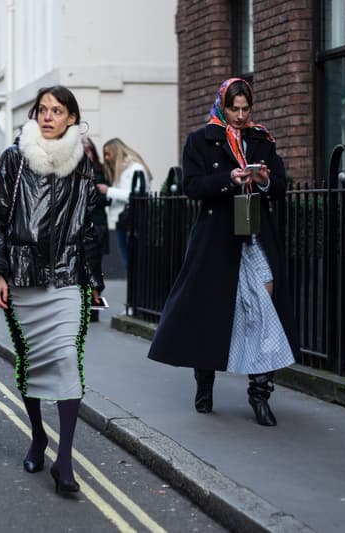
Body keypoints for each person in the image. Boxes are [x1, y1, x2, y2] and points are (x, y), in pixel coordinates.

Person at [147, 78, 299, 426]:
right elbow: (191, 187)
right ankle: (205, 383)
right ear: (223, 106)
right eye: (235, 109)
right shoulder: (201, 140)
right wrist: (229, 178)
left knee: (264, 307)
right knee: (212, 313)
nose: (241, 116)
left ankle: (260, 393)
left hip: (256, 236)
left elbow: (280, 185)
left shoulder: (262, 139)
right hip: (216, 239)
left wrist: (262, 180)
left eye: (246, 109)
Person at [0, 85, 104, 495]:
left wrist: (96, 282)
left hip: (68, 276)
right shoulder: (15, 159)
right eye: (42, 110)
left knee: (68, 358)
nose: (48, 116)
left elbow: (89, 229)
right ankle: (38, 436)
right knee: (32, 364)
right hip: (22, 278)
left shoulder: (84, 166)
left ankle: (64, 461)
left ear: (72, 118)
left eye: (57, 110)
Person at [97, 138, 152, 269]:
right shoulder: (120, 170)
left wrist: (108, 190)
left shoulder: (135, 168)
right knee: (129, 262)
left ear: (117, 152)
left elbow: (135, 195)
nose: (106, 158)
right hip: (122, 220)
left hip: (131, 221)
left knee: (132, 262)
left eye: (108, 153)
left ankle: (138, 289)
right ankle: (135, 288)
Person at [83, 136, 110, 322]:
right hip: (77, 229)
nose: (85, 155)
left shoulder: (99, 173)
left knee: (95, 268)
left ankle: (93, 309)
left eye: (88, 151)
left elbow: (104, 199)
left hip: (97, 226)